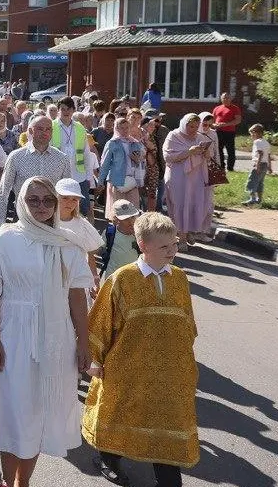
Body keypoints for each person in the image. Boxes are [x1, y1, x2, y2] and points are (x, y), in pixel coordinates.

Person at [0, 177, 95, 487]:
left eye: (48, 200)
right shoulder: (4, 240)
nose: (41, 206)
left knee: (38, 412)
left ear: (56, 204)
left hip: (55, 339)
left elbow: (77, 296)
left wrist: (84, 341)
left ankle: (22, 482)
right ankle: (6, 479)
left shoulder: (67, 244)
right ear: (21, 203)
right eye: (34, 200)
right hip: (10, 334)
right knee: (10, 409)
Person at [85, 212, 198, 487]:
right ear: (142, 245)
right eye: (164, 247)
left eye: (175, 244)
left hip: (170, 371)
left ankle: (169, 479)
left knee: (166, 424)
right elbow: (100, 323)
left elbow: (187, 323)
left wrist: (184, 361)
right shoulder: (122, 279)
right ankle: (107, 458)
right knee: (119, 413)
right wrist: (93, 360)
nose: (172, 251)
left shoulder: (179, 278)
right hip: (127, 368)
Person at [0, 117, 74, 226]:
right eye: (40, 129)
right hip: (22, 218)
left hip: (51, 220)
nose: (44, 132)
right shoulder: (16, 157)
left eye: (48, 129)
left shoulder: (62, 159)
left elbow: (67, 194)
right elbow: (3, 193)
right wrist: (0, 224)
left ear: (52, 132)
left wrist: (67, 224)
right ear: (31, 131)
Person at [163, 114, 214, 246]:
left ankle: (190, 231)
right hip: (178, 177)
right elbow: (168, 156)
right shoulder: (173, 136)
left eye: (197, 126)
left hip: (196, 177)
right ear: (184, 124)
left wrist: (205, 152)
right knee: (179, 205)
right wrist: (189, 152)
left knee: (195, 204)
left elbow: (209, 156)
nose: (194, 129)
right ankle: (181, 238)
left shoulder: (201, 137)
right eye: (191, 126)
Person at [94, 117, 144, 213]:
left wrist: (137, 160)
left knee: (133, 211)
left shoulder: (134, 143)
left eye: (126, 127)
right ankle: (115, 228)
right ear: (116, 128)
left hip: (132, 181)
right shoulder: (112, 143)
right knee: (119, 212)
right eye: (121, 128)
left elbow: (141, 162)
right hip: (117, 181)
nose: (125, 130)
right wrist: (100, 181)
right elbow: (105, 164)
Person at [102, 200, 142, 277]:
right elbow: (97, 250)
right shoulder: (110, 232)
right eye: (126, 219)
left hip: (134, 276)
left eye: (133, 217)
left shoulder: (140, 233)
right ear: (116, 219)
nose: (131, 222)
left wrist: (138, 236)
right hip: (113, 276)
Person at [244, 123, 273, 205]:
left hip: (258, 164)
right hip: (265, 164)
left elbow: (260, 154)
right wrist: (269, 167)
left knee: (252, 181)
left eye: (252, 133)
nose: (251, 135)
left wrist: (257, 165)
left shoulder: (257, 142)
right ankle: (259, 199)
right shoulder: (266, 142)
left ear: (258, 133)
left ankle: (252, 199)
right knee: (260, 182)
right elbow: (268, 155)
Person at [211, 93, 241, 172]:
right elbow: (212, 121)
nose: (225, 99)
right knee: (218, 149)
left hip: (229, 132)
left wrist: (226, 124)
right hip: (218, 131)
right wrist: (214, 125)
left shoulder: (235, 108)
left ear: (230, 99)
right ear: (221, 99)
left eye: (227, 98)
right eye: (224, 98)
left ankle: (230, 168)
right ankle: (221, 166)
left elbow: (238, 120)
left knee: (230, 150)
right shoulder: (217, 108)